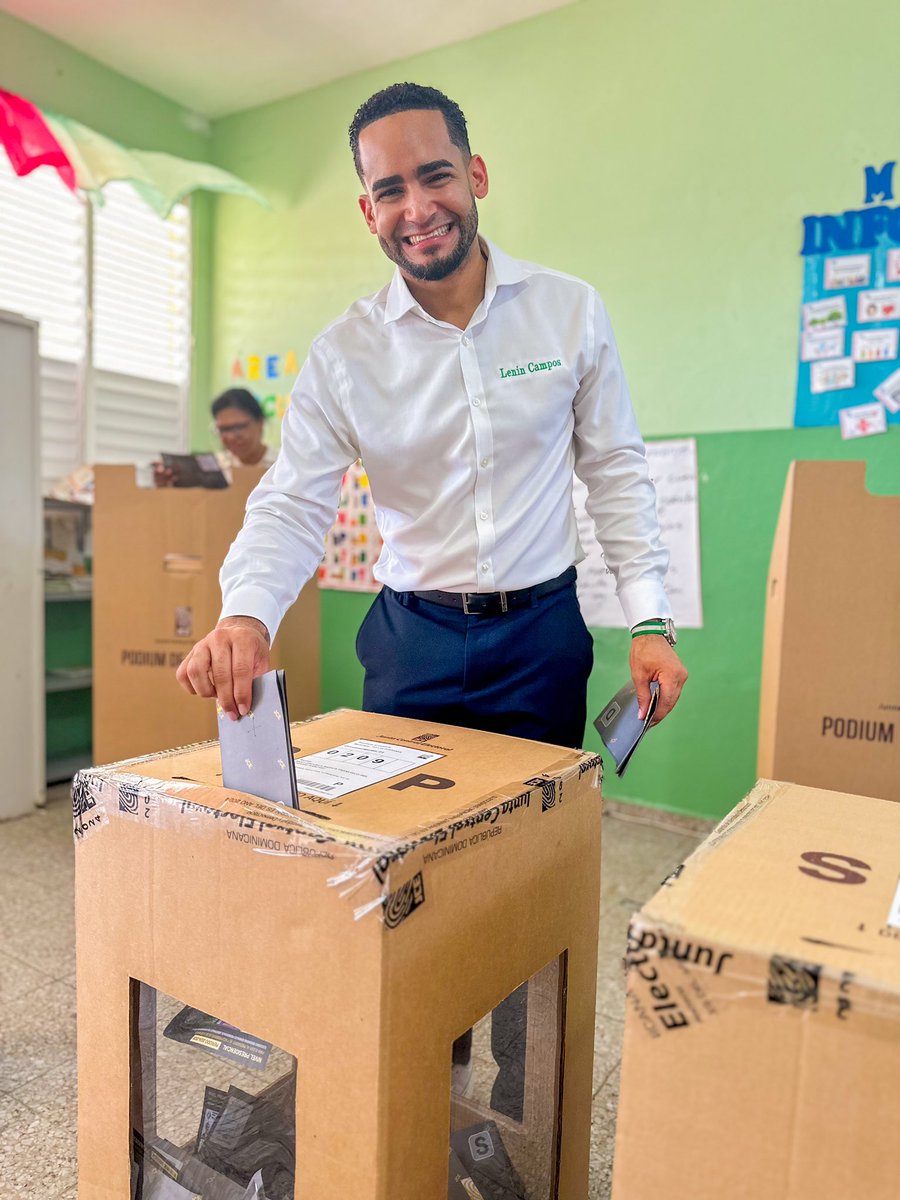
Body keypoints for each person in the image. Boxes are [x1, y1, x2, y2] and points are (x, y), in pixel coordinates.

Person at [176, 81, 688, 1115]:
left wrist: (649, 616)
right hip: (408, 644)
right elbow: (290, 505)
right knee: (399, 876)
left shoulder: (568, 311)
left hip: (540, 637)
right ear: (368, 210)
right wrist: (244, 613)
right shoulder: (344, 356)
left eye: (436, 174)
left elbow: (617, 475)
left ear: (476, 176)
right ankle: (418, 1076)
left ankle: (516, 1108)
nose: (419, 205)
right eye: (390, 188)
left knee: (521, 876)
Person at [153, 388, 276, 485]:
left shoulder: (284, 464)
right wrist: (165, 484)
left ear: (260, 422)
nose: (231, 437)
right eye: (223, 429)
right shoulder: (215, 467)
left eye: (238, 427)